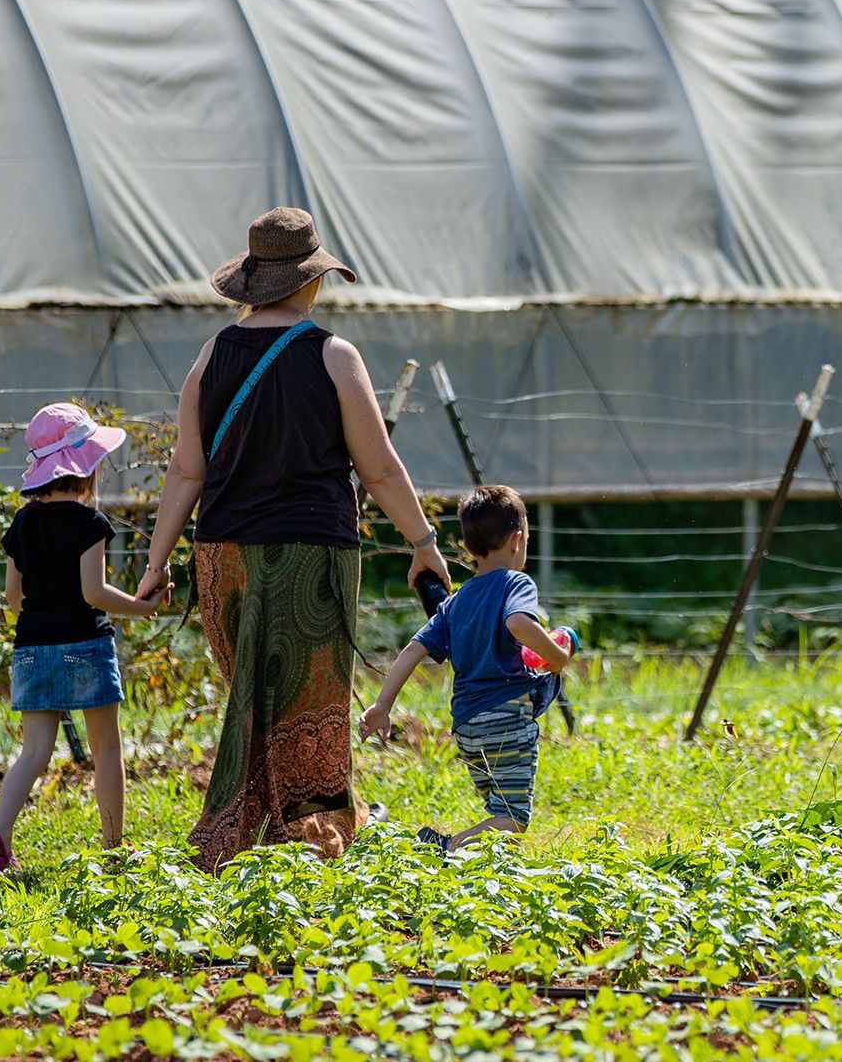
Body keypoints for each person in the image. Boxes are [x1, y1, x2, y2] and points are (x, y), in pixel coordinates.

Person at [137, 208, 455, 872]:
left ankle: (253, 827)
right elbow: (379, 468)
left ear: (255, 282)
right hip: (312, 553)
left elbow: (187, 468)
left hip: (222, 555)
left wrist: (156, 561)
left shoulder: (211, 354)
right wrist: (423, 541)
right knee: (309, 702)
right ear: (311, 281)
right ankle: (309, 829)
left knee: (253, 695)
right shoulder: (334, 355)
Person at [0, 403, 162, 872]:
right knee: (107, 749)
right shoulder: (89, 523)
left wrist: (40, 621)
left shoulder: (21, 523)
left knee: (34, 752)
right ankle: (114, 845)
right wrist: (141, 606)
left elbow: (11, 594)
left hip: (32, 646)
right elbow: (93, 592)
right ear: (85, 467)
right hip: (85, 644)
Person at [358, 485, 574, 852]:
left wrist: (382, 706)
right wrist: (557, 656)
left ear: (470, 548)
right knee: (513, 818)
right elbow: (520, 624)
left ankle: (473, 858)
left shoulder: (457, 601)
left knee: (500, 805)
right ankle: (446, 846)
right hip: (506, 718)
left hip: (468, 727)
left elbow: (413, 650)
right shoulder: (516, 583)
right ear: (518, 541)